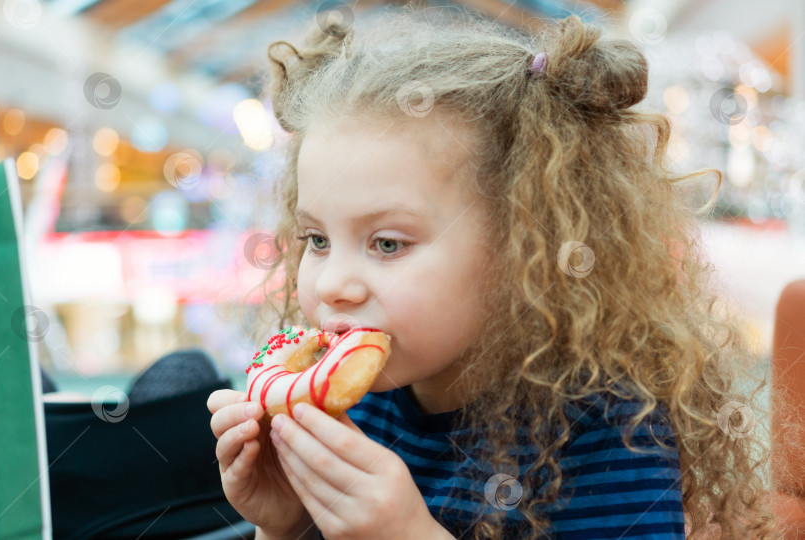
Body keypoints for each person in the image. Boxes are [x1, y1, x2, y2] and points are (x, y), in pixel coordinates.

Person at [207, 8, 787, 540]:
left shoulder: (608, 425)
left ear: (523, 248)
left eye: (387, 243)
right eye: (317, 240)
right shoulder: (356, 402)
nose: (333, 283)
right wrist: (286, 526)